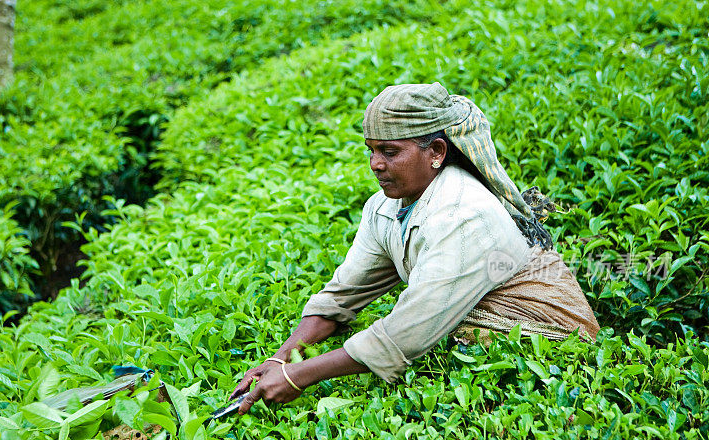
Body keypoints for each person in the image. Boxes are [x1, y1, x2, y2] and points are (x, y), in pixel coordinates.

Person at [231, 83, 599, 414]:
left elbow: (409, 331)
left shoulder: (463, 213)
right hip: (467, 314)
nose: (376, 164)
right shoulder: (384, 207)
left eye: (390, 152)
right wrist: (281, 358)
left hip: (546, 339)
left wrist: (299, 376)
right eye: (372, 151)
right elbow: (343, 295)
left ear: (436, 151)